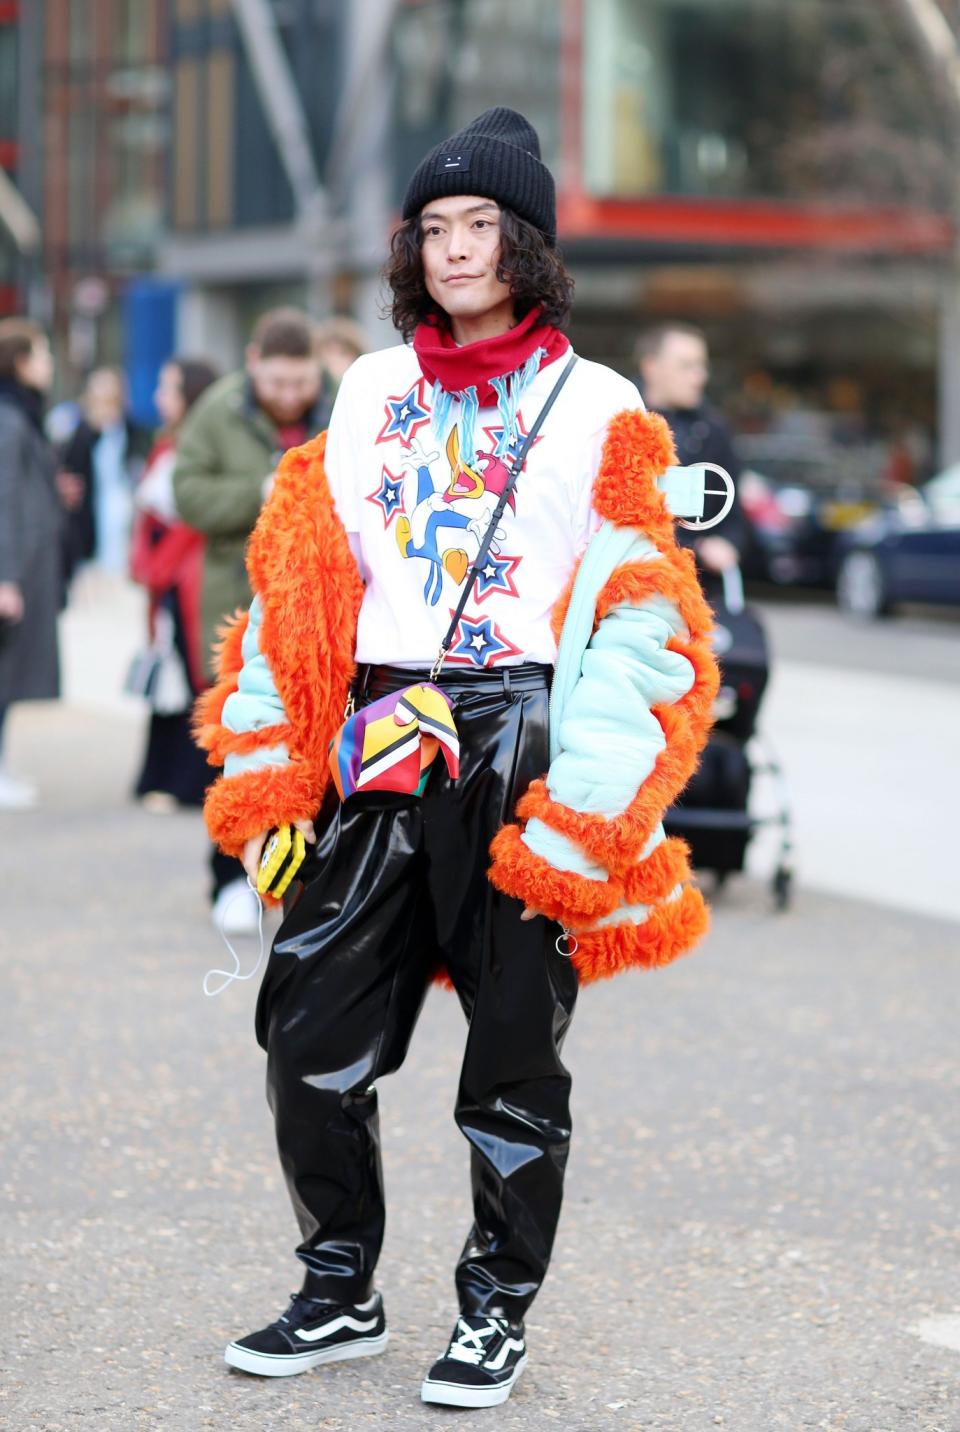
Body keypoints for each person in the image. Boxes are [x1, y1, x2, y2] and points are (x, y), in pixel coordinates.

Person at [197, 109, 718, 1408]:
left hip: (520, 741)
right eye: (435, 228)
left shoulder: (600, 405)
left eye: (480, 224)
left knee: (514, 1054)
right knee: (304, 1027)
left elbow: (645, 614)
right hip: (382, 731)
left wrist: (589, 805)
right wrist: (269, 766)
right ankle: (339, 1288)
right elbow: (299, 580)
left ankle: (495, 1310)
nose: (455, 250)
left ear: (527, 241)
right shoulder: (370, 388)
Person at [173, 308, 335, 933]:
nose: (291, 396)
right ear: (251, 365)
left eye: (301, 383)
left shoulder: (345, 401)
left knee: (318, 743)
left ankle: (310, 873)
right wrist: (261, 489)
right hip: (236, 604)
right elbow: (187, 494)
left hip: (322, 605)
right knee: (235, 740)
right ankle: (230, 879)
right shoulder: (214, 411)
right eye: (277, 383)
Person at [130, 358, 220, 810]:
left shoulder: (194, 450)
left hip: (188, 579)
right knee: (170, 679)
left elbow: (190, 520)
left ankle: (188, 781)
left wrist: (156, 569)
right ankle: (162, 775)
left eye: (168, 388)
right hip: (165, 580)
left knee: (194, 679)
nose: (159, 397)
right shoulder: (164, 443)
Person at [0, 320, 65, 808]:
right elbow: (5, 497)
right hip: (13, 571)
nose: (49, 364)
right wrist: (7, 576)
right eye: (41, 354)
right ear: (21, 361)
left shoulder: (19, 413)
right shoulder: (10, 415)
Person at [636, 321, 750, 576]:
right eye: (686, 366)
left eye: (701, 366)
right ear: (651, 366)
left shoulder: (714, 430)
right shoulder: (620, 421)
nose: (699, 377)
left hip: (698, 584)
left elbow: (734, 517)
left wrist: (727, 545)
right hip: (628, 580)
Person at [60, 367, 152, 581]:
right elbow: (72, 473)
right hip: (90, 519)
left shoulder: (132, 430)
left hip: (125, 514)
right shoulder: (80, 434)